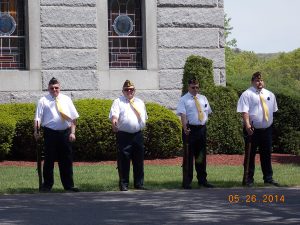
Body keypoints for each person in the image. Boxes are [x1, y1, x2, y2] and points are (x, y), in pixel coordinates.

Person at [34, 77, 80, 192]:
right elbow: (38, 118)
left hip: (65, 133)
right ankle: (47, 186)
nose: (54, 90)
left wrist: (73, 133)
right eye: (52, 88)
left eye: (56, 87)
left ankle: (69, 186)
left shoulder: (66, 99)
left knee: (66, 160)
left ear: (60, 87)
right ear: (48, 88)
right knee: (49, 160)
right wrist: (36, 131)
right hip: (50, 133)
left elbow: (73, 118)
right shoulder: (43, 100)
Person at [237, 71, 279, 187]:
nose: (259, 82)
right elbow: (244, 111)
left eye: (261, 80)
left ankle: (268, 178)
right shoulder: (247, 94)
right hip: (252, 130)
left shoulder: (270, 94)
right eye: (257, 80)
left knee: (266, 155)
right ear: (252, 82)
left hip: (267, 130)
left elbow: (272, 111)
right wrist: (247, 125)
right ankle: (248, 178)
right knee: (250, 155)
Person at [109, 80, 148, 191]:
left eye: (131, 89)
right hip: (124, 135)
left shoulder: (140, 102)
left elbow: (144, 117)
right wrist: (114, 123)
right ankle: (124, 184)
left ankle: (139, 184)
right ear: (123, 91)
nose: (129, 91)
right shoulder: (118, 102)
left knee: (139, 160)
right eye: (126, 90)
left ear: (134, 91)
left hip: (138, 135)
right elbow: (114, 116)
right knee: (123, 160)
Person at [176, 78, 214, 189]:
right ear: (188, 87)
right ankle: (187, 182)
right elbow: (182, 115)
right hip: (190, 130)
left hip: (201, 129)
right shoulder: (184, 99)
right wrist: (184, 128)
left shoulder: (203, 98)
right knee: (188, 157)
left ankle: (202, 180)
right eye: (193, 87)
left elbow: (208, 112)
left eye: (197, 87)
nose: (195, 89)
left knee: (201, 156)